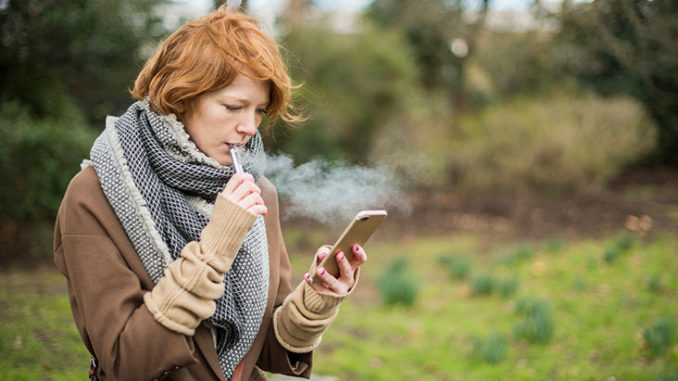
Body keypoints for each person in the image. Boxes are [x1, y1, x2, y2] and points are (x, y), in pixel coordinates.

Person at [53, 6, 366, 381]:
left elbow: (264, 347)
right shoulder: (95, 195)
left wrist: (315, 300)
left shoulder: (258, 192)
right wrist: (215, 246)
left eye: (259, 111)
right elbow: (125, 361)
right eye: (234, 106)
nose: (249, 127)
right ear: (180, 97)